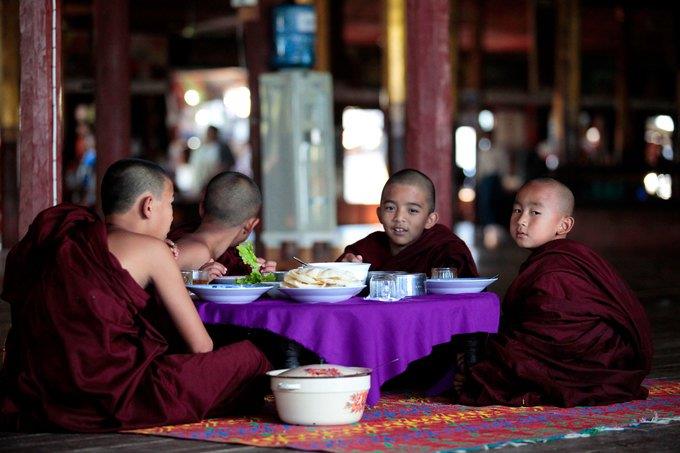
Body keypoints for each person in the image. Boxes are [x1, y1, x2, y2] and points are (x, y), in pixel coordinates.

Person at [0, 158, 275, 432]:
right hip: (114, 393)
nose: (171, 215)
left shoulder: (71, 239)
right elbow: (201, 347)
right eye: (169, 204)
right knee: (252, 358)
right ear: (148, 206)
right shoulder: (153, 251)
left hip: (42, 386)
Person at [459, 178, 653, 407]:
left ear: (564, 225)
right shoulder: (551, 260)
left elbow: (553, 335)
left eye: (535, 213)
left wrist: (492, 356)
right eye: (517, 210)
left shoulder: (558, 269)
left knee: (483, 375)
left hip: (590, 361)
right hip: (613, 361)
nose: (521, 221)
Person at [338, 168, 478, 277]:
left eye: (412, 210)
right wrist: (347, 269)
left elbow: (465, 302)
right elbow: (330, 281)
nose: (399, 217)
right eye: (390, 208)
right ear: (379, 214)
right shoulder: (367, 249)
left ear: (430, 220)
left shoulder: (446, 250)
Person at [168, 171, 276, 278]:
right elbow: (156, 286)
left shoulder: (220, 252)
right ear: (250, 225)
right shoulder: (197, 252)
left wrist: (256, 275)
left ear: (201, 208)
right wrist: (198, 281)